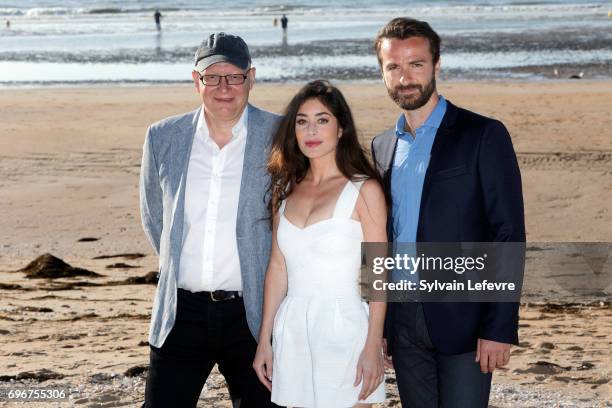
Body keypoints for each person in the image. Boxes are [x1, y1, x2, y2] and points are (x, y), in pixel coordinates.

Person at [370, 18, 525, 407]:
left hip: (465, 318)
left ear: (436, 66)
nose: (405, 77)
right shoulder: (382, 146)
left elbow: (506, 233)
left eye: (416, 64)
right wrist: (381, 325)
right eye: (394, 67)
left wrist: (499, 327)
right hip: (403, 318)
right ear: (382, 72)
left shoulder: (483, 134)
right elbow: (380, 239)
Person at [139, 32, 281, 407]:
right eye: (212, 77)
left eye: (233, 76)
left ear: (251, 78)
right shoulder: (162, 137)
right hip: (180, 313)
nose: (223, 87)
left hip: (252, 315)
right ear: (196, 80)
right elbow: (156, 219)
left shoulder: (281, 135)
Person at [253, 80, 388, 407]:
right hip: (292, 328)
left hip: (345, 328)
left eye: (322, 119)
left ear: (341, 129)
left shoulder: (364, 190)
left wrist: (372, 346)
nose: (311, 130)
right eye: (302, 121)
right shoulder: (283, 189)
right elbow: (278, 266)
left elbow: (379, 274)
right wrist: (265, 341)